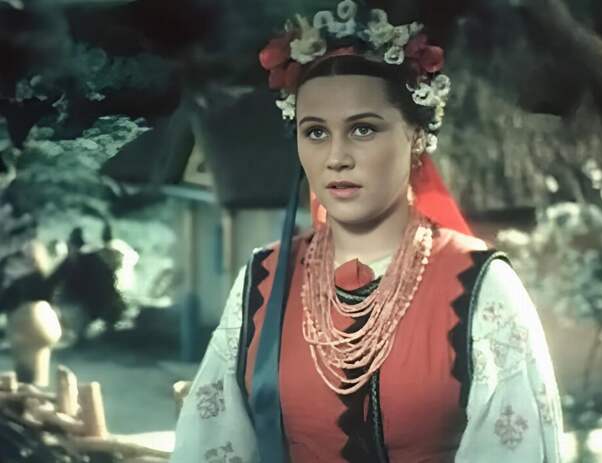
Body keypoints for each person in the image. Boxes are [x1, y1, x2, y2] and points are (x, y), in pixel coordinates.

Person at [171, 2, 563, 462]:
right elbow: (213, 441)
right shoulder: (263, 277)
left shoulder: (480, 284)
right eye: (316, 133)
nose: (337, 157)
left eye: (362, 129)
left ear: (416, 137)